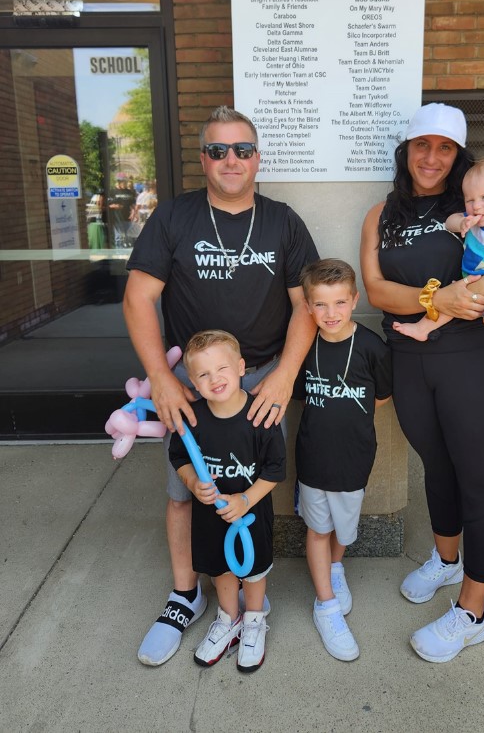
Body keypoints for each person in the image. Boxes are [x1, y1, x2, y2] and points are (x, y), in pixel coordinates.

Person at [360, 102, 484, 663]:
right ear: (406, 151)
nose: (432, 157)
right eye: (422, 145)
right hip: (413, 358)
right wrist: (435, 298)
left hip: (478, 358)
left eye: (444, 147)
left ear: (459, 155)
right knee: (438, 467)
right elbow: (375, 290)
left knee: (476, 477)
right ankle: (447, 562)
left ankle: (473, 612)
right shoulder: (382, 213)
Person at [123, 105, 318, 666]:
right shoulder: (175, 217)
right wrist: (161, 376)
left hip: (260, 379)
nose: (230, 159)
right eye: (217, 150)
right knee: (185, 490)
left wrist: (283, 375)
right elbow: (139, 296)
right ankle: (185, 595)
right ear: (202, 158)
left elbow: (305, 304)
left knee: (253, 485)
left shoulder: (283, 220)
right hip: (193, 383)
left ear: (257, 158)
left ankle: (248, 606)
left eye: (241, 149)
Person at [168, 330, 285, 673]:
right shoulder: (194, 419)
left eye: (222, 368)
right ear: (192, 381)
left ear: (241, 367)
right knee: (220, 568)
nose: (214, 379)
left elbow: (276, 469)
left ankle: (252, 620)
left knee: (252, 570)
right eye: (203, 374)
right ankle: (228, 618)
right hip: (211, 515)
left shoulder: (259, 416)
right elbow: (180, 457)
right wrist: (191, 480)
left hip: (250, 514)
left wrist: (247, 499)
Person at [294, 259, 392, 662]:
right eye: (320, 304)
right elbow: (297, 394)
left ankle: (336, 569)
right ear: (307, 306)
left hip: (354, 458)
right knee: (317, 529)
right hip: (313, 457)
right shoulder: (303, 347)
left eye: (339, 302)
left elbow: (381, 398)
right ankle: (326, 605)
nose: (330, 313)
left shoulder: (371, 348)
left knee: (342, 531)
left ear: (354, 300)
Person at [393, 157, 484, 346]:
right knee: (456, 296)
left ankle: (422, 328)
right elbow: (449, 222)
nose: (476, 205)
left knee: (454, 300)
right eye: (469, 200)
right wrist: (461, 223)